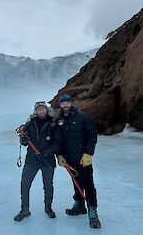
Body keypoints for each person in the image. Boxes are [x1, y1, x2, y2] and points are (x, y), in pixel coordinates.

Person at [56, 94, 101, 229]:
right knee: (76, 183)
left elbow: (92, 134)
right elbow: (58, 140)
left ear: (71, 103)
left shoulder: (81, 117)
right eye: (63, 103)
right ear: (60, 105)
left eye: (67, 103)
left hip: (83, 158)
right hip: (69, 159)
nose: (65, 105)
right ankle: (80, 204)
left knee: (88, 184)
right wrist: (59, 155)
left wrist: (88, 153)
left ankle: (92, 211)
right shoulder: (59, 121)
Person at [14, 101, 61, 221]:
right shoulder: (30, 124)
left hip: (48, 160)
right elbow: (24, 142)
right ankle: (25, 210)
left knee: (48, 186)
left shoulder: (53, 124)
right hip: (32, 160)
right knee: (25, 184)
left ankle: (48, 208)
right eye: (39, 109)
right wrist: (23, 139)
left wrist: (47, 152)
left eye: (43, 109)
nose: (41, 111)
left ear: (47, 110)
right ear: (36, 111)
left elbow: (58, 143)